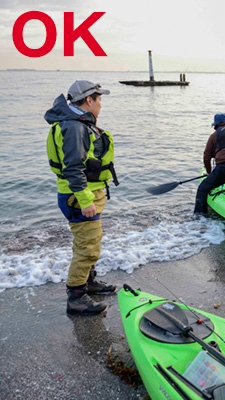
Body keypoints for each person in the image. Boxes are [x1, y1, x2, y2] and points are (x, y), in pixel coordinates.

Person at [45, 80, 119, 315]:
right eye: (99, 100)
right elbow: (73, 168)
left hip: (85, 193)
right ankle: (76, 297)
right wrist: (86, 201)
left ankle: (89, 281)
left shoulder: (77, 123)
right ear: (89, 100)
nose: (100, 105)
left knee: (91, 241)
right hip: (79, 196)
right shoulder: (75, 126)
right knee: (87, 247)